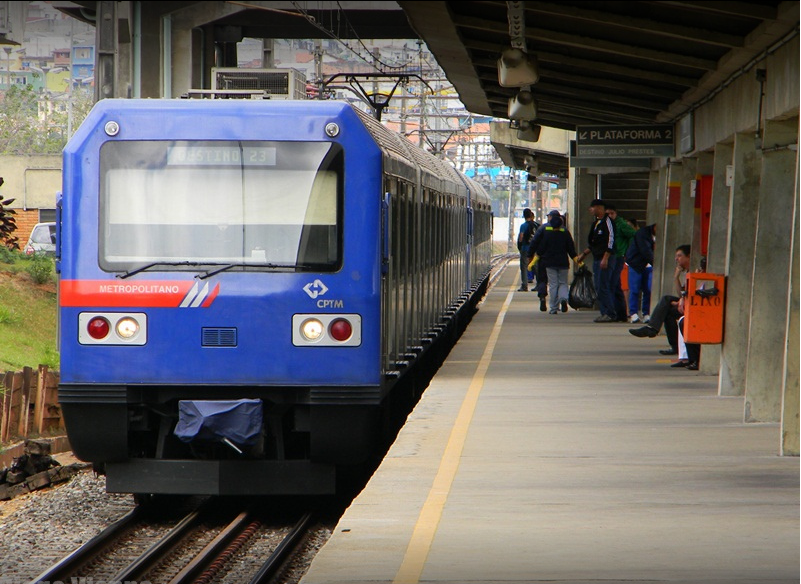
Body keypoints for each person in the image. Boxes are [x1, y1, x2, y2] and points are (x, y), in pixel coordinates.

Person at [628, 244, 692, 355]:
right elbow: (681, 293)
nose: (676, 259)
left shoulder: (695, 271)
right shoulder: (686, 272)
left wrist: (682, 300)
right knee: (668, 312)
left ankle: (652, 328)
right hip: (686, 303)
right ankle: (674, 346)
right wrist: (676, 278)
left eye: (679, 256)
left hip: (694, 305)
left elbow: (690, 293)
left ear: (688, 257)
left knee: (666, 300)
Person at [575, 199, 617, 322]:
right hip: (597, 258)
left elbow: (611, 240)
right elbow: (594, 243)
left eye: (592, 207)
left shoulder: (608, 222)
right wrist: (584, 254)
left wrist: (606, 257)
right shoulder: (596, 223)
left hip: (605, 259)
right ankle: (604, 312)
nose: (590, 210)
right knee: (598, 287)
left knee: (603, 286)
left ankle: (610, 313)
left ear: (599, 208)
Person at [529, 211, 579, 314]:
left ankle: (553, 307)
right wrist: (576, 259)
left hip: (548, 262)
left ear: (551, 218)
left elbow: (537, 244)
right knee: (563, 283)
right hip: (563, 262)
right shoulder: (565, 231)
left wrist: (531, 257)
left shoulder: (544, 229)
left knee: (553, 284)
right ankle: (564, 298)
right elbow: (571, 248)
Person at [605, 203, 635, 322]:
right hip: (610, 256)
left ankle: (615, 312)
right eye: (608, 213)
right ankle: (620, 312)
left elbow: (633, 235)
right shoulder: (606, 224)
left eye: (612, 213)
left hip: (618, 257)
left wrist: (627, 250)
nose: (610, 215)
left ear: (616, 214)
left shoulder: (621, 224)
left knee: (612, 284)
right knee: (616, 285)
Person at [625, 222, 656, 323]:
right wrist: (654, 262)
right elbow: (645, 250)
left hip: (647, 265)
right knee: (634, 289)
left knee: (648, 289)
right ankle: (633, 313)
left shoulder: (658, 235)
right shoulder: (642, 233)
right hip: (636, 264)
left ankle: (646, 313)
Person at [516, 208, 538, 292]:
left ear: (524, 216)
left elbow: (521, 237)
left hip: (525, 249)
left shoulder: (523, 226)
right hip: (535, 249)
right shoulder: (536, 225)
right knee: (535, 266)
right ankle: (539, 285)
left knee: (524, 267)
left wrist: (520, 245)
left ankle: (524, 286)